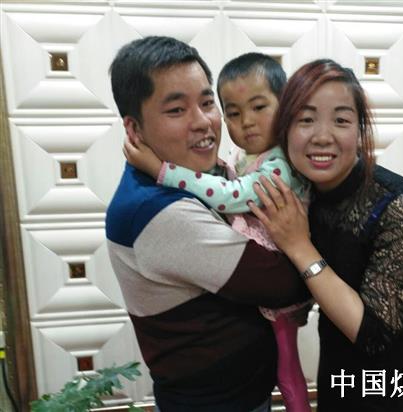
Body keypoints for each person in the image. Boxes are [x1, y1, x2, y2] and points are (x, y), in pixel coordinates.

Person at [106, 36, 308, 412]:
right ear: (134, 129)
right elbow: (283, 284)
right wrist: (305, 246)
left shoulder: (201, 173)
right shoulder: (157, 211)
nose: (203, 122)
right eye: (176, 110)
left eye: (206, 102)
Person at [248, 59, 403, 411]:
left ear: (359, 130)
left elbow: (373, 335)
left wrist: (298, 246)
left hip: (401, 388)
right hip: (340, 374)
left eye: (341, 120)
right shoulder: (303, 191)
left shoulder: (400, 207)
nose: (322, 136)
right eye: (306, 120)